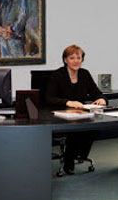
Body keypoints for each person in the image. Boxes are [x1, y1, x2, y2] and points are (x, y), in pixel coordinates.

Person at [46, 45, 107, 174]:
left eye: (78, 57)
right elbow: (49, 98)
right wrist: (68, 102)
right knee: (75, 128)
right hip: (61, 114)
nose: (76, 61)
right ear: (65, 60)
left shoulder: (84, 74)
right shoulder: (58, 75)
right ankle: (69, 158)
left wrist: (101, 99)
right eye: (72, 58)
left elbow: (96, 92)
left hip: (80, 113)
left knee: (94, 126)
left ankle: (77, 155)